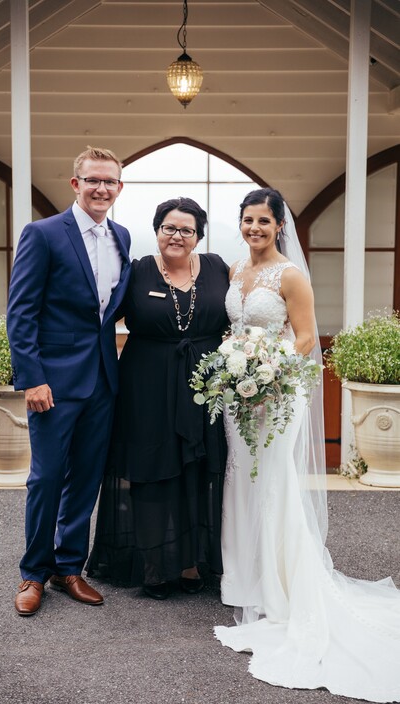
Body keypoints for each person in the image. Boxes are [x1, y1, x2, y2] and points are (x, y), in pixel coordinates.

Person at [214, 187, 400, 702]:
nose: (255, 229)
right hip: (238, 390)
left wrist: (268, 377)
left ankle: (280, 587)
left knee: (273, 481)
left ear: (279, 227)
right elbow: (233, 329)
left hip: (277, 392)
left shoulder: (290, 275)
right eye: (248, 220)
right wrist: (236, 371)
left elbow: (305, 338)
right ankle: (243, 579)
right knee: (241, 477)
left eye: (264, 222)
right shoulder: (234, 271)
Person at [7, 146, 131, 616]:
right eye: (94, 180)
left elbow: (109, 310)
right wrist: (33, 379)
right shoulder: (42, 234)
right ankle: (33, 573)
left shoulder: (122, 235)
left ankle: (68, 567)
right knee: (46, 479)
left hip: (102, 379)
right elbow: (21, 313)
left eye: (111, 182)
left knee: (86, 480)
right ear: (76, 184)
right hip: (53, 383)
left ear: (120, 188)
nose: (102, 188)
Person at [87, 197, 229, 599]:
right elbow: (95, 318)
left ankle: (192, 563)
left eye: (186, 229)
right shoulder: (137, 271)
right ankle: (155, 567)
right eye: (169, 227)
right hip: (145, 385)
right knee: (151, 470)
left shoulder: (220, 267)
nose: (177, 236)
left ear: (199, 235)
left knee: (197, 470)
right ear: (157, 231)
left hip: (205, 386)